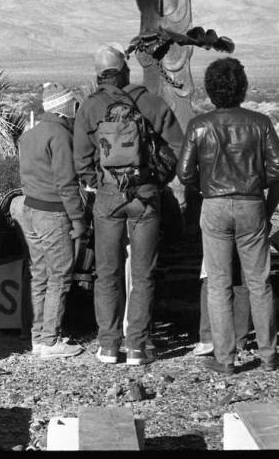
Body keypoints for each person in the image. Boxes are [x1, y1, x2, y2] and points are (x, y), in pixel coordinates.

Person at [73, 42, 183, 366]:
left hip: (107, 197)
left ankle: (108, 346)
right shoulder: (148, 101)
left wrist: (99, 183)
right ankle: (137, 346)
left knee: (106, 272)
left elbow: (81, 159)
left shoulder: (89, 108)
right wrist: (157, 179)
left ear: (97, 76)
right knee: (143, 273)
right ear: (125, 70)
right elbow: (177, 144)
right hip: (145, 196)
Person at [177, 57, 279, 374]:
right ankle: (268, 354)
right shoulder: (260, 122)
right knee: (259, 282)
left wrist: (209, 185)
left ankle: (225, 358)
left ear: (211, 90)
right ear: (242, 87)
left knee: (219, 283)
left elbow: (185, 173)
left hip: (214, 206)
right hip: (251, 205)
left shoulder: (200, 126)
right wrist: (253, 181)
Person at [17, 82, 86, 359]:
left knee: (41, 274)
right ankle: (51, 340)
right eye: (72, 108)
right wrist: (78, 219)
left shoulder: (29, 135)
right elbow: (66, 183)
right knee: (60, 275)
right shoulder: (59, 135)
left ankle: (39, 337)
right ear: (64, 109)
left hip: (30, 209)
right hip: (53, 212)